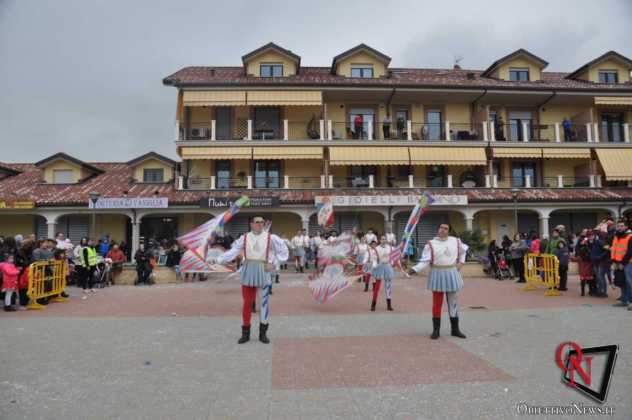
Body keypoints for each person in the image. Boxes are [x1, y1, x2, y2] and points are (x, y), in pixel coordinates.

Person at [217, 216, 289, 344]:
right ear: (251, 224)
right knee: (247, 304)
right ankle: (245, 334)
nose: (260, 224)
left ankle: (263, 334)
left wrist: (274, 262)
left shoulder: (271, 237)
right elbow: (234, 251)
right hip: (248, 270)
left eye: (262, 222)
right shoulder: (244, 237)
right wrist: (219, 259)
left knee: (264, 304)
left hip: (263, 271)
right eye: (257, 222)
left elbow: (283, 250)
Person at [408, 223, 468, 340]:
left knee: (453, 303)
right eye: (441, 228)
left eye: (445, 228)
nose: (442, 230)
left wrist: (461, 262)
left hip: (452, 273)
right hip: (437, 273)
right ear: (438, 229)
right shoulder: (431, 244)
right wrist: (414, 269)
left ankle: (455, 330)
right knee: (437, 303)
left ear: (449, 231)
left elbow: (463, 251)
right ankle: (436, 330)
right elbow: (425, 261)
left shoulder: (455, 241)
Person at [370, 235, 396, 312]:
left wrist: (392, 263)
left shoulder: (390, 248)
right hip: (380, 266)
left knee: (388, 286)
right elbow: (374, 258)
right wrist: (374, 265)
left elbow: (393, 256)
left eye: (384, 239)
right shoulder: (376, 249)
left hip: (388, 266)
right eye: (382, 239)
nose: (383, 240)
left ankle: (389, 305)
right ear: (379, 240)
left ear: (386, 240)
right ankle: (373, 304)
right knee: (377, 287)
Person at [611, 220, 632, 309]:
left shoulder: (630, 236)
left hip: (628, 263)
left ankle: (631, 302)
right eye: (618, 226)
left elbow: (630, 252)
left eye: (622, 226)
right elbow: (614, 249)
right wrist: (614, 261)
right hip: (618, 262)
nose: (620, 227)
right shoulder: (617, 236)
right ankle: (624, 300)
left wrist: (622, 263)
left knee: (629, 282)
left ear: (626, 227)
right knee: (622, 281)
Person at [573, 231, 594, 296]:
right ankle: (588, 291)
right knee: (588, 279)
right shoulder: (585, 240)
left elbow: (579, 247)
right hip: (587, 261)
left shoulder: (587, 241)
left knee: (586, 279)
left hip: (586, 261)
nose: (590, 236)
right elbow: (579, 246)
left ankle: (585, 292)